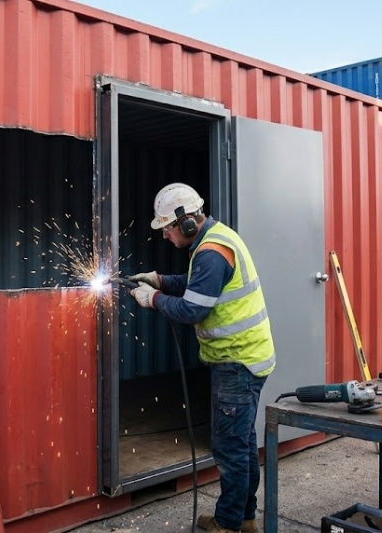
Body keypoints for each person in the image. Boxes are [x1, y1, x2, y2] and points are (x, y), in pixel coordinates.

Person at [126, 182, 276, 533]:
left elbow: (193, 308)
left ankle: (228, 524)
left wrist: (153, 299)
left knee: (229, 448)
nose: (165, 235)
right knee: (240, 444)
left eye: (166, 227)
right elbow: (198, 285)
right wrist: (160, 280)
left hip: (237, 362)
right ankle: (245, 518)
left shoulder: (210, 252)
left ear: (187, 222)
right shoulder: (216, 239)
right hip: (247, 358)